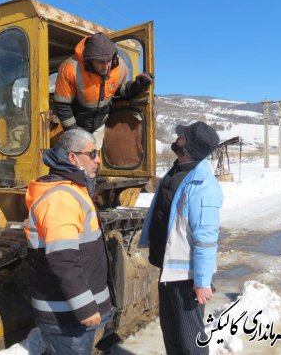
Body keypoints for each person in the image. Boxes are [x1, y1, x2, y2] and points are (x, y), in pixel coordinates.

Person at [139, 121, 223, 355]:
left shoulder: (203, 186)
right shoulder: (178, 170)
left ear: (189, 148)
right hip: (168, 270)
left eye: (182, 138)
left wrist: (202, 281)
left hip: (187, 278)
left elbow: (206, 239)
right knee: (172, 337)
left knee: (191, 343)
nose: (178, 139)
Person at [24, 129, 111, 355]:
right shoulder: (61, 198)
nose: (98, 159)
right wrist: (85, 308)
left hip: (70, 314)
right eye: (92, 154)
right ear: (73, 158)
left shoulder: (72, 190)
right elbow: (62, 259)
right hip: (67, 319)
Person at [54, 32, 153, 149]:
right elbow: (62, 105)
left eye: (109, 61)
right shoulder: (70, 69)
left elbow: (118, 91)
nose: (106, 67)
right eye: (100, 62)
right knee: (75, 161)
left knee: (92, 160)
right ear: (90, 60)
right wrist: (74, 133)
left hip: (99, 124)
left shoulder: (120, 68)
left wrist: (136, 86)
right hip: (77, 124)